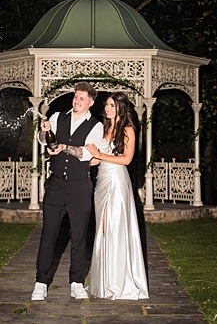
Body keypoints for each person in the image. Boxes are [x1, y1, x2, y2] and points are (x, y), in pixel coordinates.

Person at [31, 81, 104, 301]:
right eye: (75, 96)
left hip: (79, 185)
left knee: (79, 236)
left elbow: (87, 154)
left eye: (82, 98)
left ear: (91, 102)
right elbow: (43, 141)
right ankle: (41, 282)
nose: (76, 101)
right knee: (48, 234)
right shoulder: (57, 117)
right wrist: (44, 132)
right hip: (56, 185)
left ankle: (77, 282)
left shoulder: (96, 126)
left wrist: (64, 148)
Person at [84, 92, 149, 300]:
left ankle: (117, 282)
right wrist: (88, 158)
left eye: (112, 105)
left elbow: (127, 159)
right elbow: (97, 158)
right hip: (102, 180)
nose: (108, 108)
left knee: (114, 227)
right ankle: (102, 282)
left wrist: (99, 155)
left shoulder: (128, 129)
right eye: (107, 105)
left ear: (121, 107)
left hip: (117, 180)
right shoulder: (105, 128)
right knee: (102, 228)